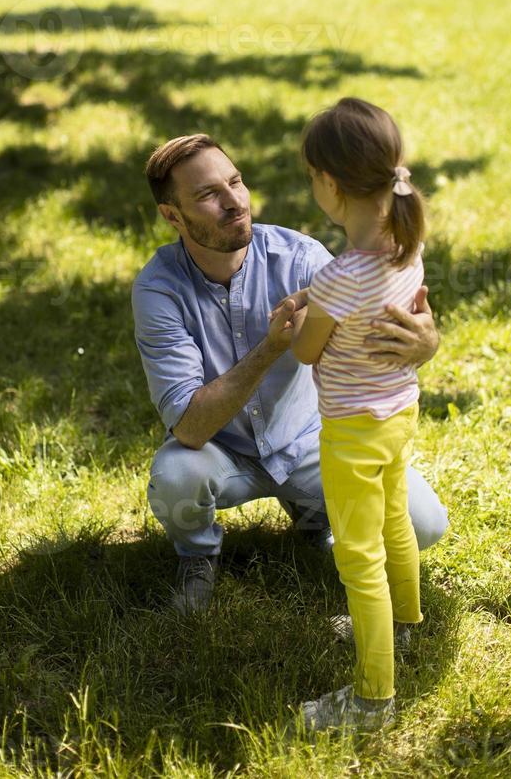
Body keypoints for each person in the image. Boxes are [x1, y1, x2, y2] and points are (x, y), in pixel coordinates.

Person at [131, 133, 447, 616]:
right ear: (173, 216)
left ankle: (314, 516)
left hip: (311, 442)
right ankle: (198, 554)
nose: (234, 201)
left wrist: (425, 343)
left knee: (424, 527)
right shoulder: (158, 290)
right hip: (223, 452)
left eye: (235, 181)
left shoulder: (301, 258)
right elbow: (190, 427)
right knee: (176, 474)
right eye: (208, 195)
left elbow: (375, 340)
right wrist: (270, 348)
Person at [290, 97, 429, 735]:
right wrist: (318, 303)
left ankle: (373, 699)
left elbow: (307, 350)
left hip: (350, 432)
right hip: (398, 413)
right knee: (396, 522)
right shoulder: (405, 243)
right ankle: (405, 627)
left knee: (358, 556)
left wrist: (302, 318)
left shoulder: (339, 278)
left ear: (331, 184)